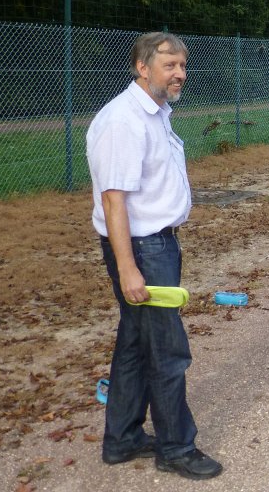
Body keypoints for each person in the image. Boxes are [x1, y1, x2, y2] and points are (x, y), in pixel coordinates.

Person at [86, 32, 222, 480]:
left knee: (134, 343)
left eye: (182, 65)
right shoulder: (123, 121)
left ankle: (122, 438)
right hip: (143, 250)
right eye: (169, 65)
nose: (180, 73)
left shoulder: (156, 112)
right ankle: (176, 448)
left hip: (157, 244)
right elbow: (113, 201)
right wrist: (128, 268)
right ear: (142, 68)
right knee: (166, 350)